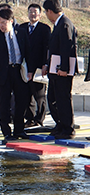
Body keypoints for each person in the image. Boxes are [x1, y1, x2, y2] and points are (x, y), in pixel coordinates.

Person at [0, 9, 33, 145]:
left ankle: (19, 130)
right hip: (3, 73)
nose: (1, 25)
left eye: (4, 22)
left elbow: (28, 52)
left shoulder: (21, 33)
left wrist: (31, 70)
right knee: (4, 103)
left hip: (18, 71)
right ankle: (6, 132)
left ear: (11, 21)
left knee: (21, 101)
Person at [42, 0, 77, 139]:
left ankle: (68, 128)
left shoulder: (65, 24)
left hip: (62, 71)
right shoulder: (58, 24)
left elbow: (66, 48)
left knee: (63, 99)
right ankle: (60, 124)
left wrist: (64, 68)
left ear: (50, 11)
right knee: (53, 98)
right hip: (54, 70)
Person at [20, 3, 51, 128]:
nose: (32, 14)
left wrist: (45, 64)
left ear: (40, 14)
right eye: (30, 11)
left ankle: (39, 118)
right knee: (26, 94)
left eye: (35, 11)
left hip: (39, 67)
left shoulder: (45, 29)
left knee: (39, 95)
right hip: (25, 66)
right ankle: (30, 118)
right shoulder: (21, 28)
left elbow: (47, 48)